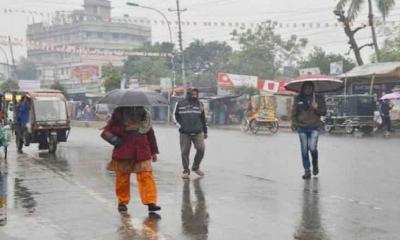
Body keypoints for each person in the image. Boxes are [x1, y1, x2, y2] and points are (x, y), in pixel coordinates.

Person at [101, 106, 161, 213]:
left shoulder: (144, 113)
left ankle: (151, 202)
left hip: (142, 150)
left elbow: (150, 133)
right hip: (124, 149)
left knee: (146, 176)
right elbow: (109, 129)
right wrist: (125, 129)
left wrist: (153, 151)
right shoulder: (118, 113)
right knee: (122, 178)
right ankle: (122, 202)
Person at [291, 82, 326, 179]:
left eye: (310, 88)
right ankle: (307, 171)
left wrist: (316, 108)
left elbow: (324, 112)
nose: (307, 90)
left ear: (313, 88)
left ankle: (315, 165)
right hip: (302, 127)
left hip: (315, 127)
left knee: (312, 148)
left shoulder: (319, 98)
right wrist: (294, 123)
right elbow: (294, 112)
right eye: (306, 88)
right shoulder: (298, 98)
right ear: (303, 88)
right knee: (304, 150)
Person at [173, 88, 208, 179]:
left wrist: (205, 131)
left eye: (196, 94)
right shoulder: (180, 103)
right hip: (185, 133)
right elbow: (175, 116)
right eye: (193, 94)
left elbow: (203, 119)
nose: (195, 96)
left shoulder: (200, 104)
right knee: (185, 152)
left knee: (201, 149)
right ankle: (186, 170)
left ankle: (195, 167)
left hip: (198, 132)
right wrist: (181, 126)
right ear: (188, 94)